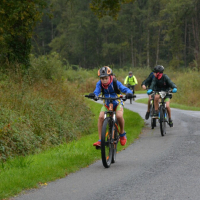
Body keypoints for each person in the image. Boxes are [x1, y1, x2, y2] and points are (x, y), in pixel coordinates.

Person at [88, 66, 133, 147]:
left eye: (106, 78)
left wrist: (129, 93)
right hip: (107, 103)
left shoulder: (115, 82)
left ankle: (122, 133)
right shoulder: (99, 84)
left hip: (117, 102)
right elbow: (97, 91)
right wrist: (94, 95)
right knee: (101, 117)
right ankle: (100, 140)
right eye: (102, 78)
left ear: (110, 76)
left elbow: (124, 89)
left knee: (119, 116)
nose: (104, 80)